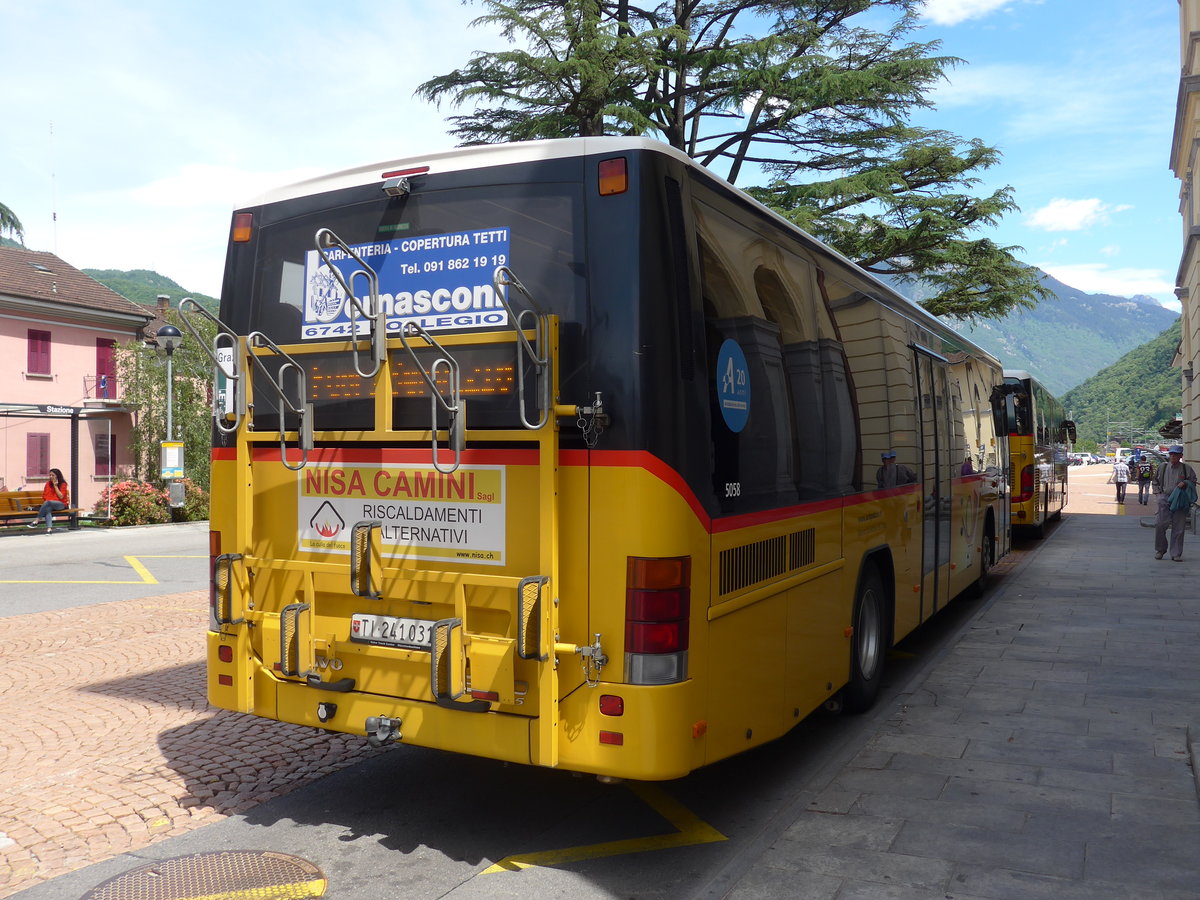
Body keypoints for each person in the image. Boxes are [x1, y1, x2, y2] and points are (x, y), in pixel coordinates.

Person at [1152, 445, 1197, 561]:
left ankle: (1176, 553)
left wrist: (1186, 483)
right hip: (1164, 498)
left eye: (1175, 454)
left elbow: (1193, 480)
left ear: (1181, 456)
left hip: (1180, 500)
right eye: (1171, 454)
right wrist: (1158, 494)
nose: (1173, 456)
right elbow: (1155, 481)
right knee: (1160, 524)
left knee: (1179, 527)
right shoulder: (1163, 467)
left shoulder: (1186, 468)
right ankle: (1160, 550)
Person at [28, 468, 70, 534]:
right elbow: (45, 496)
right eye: (50, 475)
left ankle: (36, 521)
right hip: (50, 504)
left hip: (61, 504)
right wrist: (50, 500)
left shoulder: (63, 484)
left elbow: (61, 496)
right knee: (48, 509)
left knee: (48, 503)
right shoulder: (48, 484)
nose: (51, 477)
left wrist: (55, 486)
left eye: (53, 475)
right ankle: (49, 529)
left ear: (57, 476)